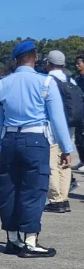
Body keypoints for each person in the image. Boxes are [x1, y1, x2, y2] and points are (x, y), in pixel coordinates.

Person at [0, 41, 72, 258]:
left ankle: (12, 238)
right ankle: (30, 241)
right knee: (33, 190)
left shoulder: (2, 83)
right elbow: (57, 118)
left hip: (9, 138)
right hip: (35, 139)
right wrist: (66, 148)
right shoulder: (45, 82)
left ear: (16, 59)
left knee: (9, 189)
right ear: (35, 57)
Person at [43, 50, 78, 213]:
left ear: (48, 64)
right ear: (63, 64)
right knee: (65, 161)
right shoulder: (71, 80)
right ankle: (64, 198)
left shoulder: (48, 80)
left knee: (51, 163)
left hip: (53, 127)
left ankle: (55, 199)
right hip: (70, 126)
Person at [74, 55, 84, 172]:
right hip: (79, 111)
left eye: (79, 63)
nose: (77, 66)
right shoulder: (77, 79)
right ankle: (82, 160)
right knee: (78, 139)